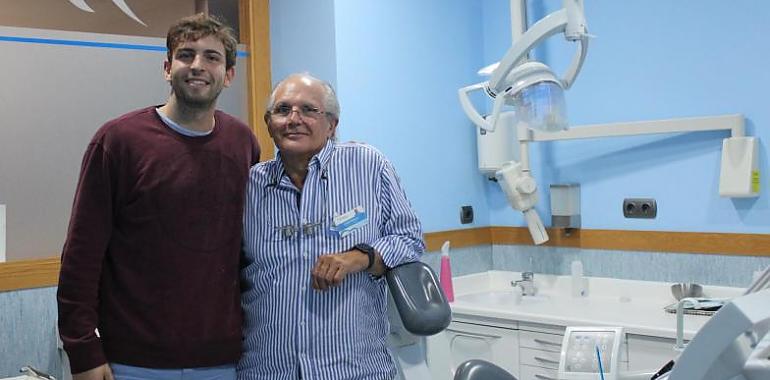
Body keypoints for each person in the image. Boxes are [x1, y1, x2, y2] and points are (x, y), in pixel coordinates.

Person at [57, 14, 260, 380]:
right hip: (130, 363)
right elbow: (81, 257)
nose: (197, 66)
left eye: (212, 57)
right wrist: (83, 350)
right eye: (186, 55)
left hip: (221, 362)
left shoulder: (242, 143)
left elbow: (248, 252)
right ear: (167, 68)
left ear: (229, 75)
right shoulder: (119, 141)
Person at [237, 73, 424, 380]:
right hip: (268, 369)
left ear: (332, 124)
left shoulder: (367, 165)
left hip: (354, 369)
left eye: (309, 110)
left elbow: (410, 238)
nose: (294, 119)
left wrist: (359, 257)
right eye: (283, 110)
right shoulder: (249, 185)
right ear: (269, 123)